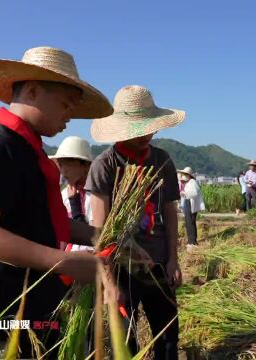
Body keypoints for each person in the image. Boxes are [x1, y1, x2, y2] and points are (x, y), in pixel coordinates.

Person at [0, 46, 114, 359]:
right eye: (64, 106)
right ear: (33, 91)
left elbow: (37, 220)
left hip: (22, 297)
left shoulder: (25, 148)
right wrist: (62, 261)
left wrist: (96, 235)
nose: (67, 118)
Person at [87, 85, 185, 360]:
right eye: (137, 129)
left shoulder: (162, 160)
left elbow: (169, 212)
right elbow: (101, 232)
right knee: (126, 340)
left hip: (158, 264)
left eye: (149, 127)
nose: (145, 135)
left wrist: (173, 259)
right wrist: (109, 282)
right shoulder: (105, 165)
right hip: (122, 268)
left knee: (167, 336)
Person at [51, 136, 93, 225]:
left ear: (84, 165)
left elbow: (94, 233)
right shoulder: (65, 194)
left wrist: (75, 204)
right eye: (60, 165)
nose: (63, 171)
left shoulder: (96, 196)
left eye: (67, 164)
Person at [178, 167, 205, 252]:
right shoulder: (188, 182)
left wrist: (184, 193)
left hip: (190, 203)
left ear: (189, 175)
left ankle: (192, 242)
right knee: (189, 222)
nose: (184, 176)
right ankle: (191, 241)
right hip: (188, 202)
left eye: (185, 174)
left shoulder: (192, 182)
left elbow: (194, 193)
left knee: (190, 222)